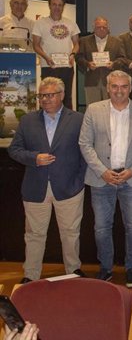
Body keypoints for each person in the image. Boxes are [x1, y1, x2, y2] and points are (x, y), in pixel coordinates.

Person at [8, 77, 86, 283]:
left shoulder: (78, 119)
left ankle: (73, 270)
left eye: (50, 95)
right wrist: (34, 158)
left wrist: (79, 181)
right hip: (36, 188)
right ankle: (30, 275)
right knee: (34, 234)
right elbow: (14, 150)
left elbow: (86, 152)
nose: (45, 99)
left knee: (70, 233)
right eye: (42, 95)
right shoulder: (27, 120)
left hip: (69, 188)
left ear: (61, 95)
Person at [79, 70, 132, 286]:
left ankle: (131, 268)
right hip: (101, 178)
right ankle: (106, 268)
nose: (119, 91)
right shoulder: (93, 110)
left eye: (124, 86)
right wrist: (102, 171)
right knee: (101, 227)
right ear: (108, 87)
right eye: (115, 86)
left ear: (131, 88)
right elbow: (85, 143)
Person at [32, 0, 80, 110]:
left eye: (60, 5)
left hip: (66, 66)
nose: (57, 7)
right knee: (48, 95)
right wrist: (46, 58)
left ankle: (68, 124)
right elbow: (36, 45)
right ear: (49, 6)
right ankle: (45, 124)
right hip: (49, 65)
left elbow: (77, 44)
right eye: (54, 4)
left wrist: (73, 54)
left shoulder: (71, 23)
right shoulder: (40, 23)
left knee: (66, 96)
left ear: (63, 7)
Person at [75, 17, 127, 104]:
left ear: (108, 28)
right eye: (98, 27)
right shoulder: (84, 41)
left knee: (111, 108)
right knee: (92, 108)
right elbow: (78, 57)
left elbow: (123, 58)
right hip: (91, 80)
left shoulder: (117, 41)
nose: (102, 29)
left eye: (104, 27)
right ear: (94, 28)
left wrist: (114, 64)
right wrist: (88, 64)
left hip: (111, 81)